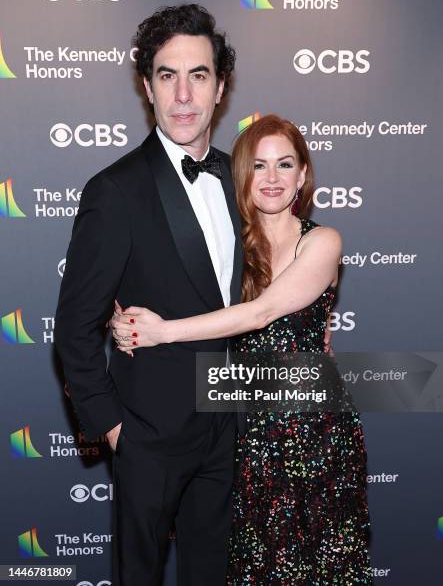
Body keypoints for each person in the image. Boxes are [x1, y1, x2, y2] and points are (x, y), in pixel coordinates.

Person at [111, 115, 372, 584]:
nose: (271, 178)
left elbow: (261, 314)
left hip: (311, 430)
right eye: (259, 166)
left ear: (303, 175)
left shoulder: (324, 241)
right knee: (252, 565)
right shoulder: (231, 245)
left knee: (314, 563)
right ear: (242, 177)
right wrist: (124, 317)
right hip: (244, 430)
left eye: (285, 165)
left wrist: (161, 331)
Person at [54, 4, 243, 586]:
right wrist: (117, 433)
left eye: (199, 75)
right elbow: (74, 329)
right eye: (168, 75)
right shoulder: (116, 191)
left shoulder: (241, 179)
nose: (183, 95)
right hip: (150, 437)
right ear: (147, 87)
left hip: (229, 427)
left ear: (220, 88)